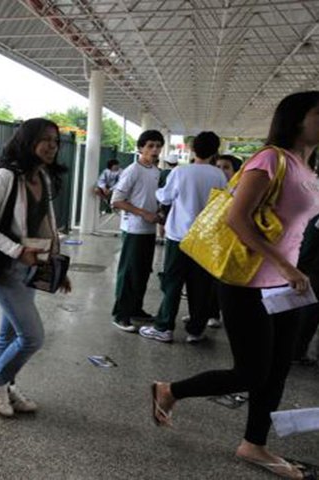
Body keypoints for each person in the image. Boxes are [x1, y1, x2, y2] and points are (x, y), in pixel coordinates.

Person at [151, 91, 319, 480]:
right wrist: (282, 264)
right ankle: (169, 390)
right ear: (296, 119)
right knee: (251, 372)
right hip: (249, 281)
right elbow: (237, 219)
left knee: (277, 370)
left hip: (288, 286)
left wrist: (293, 269)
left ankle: (254, 444)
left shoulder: (308, 170)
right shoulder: (270, 159)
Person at [0, 118, 71, 417]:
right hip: (1, 268)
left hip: (28, 267)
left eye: (55, 140)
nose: (52, 146)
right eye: (45, 139)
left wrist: (54, 266)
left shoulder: (41, 177)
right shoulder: (3, 177)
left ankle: (5, 385)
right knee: (32, 336)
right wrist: (16, 250)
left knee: (10, 335)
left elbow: (44, 226)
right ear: (27, 141)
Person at [138, 131, 228, 344]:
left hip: (179, 237)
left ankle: (164, 327)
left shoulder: (181, 172)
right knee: (200, 286)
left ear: (192, 149)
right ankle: (196, 330)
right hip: (204, 239)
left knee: (173, 283)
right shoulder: (219, 175)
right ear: (215, 151)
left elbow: (165, 196)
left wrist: (159, 193)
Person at [110, 130, 163, 333]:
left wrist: (157, 211)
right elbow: (117, 200)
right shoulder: (133, 170)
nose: (155, 150)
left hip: (148, 230)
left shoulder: (154, 170)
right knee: (129, 273)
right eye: (150, 146)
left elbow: (149, 196)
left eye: (158, 146)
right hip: (134, 230)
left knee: (142, 272)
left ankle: (136, 309)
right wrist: (143, 213)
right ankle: (121, 315)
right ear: (140, 148)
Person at [293, 214, 319, 366]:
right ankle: (296, 351)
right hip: (314, 271)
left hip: (312, 269)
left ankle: (296, 351)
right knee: (309, 311)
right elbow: (310, 243)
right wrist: (300, 269)